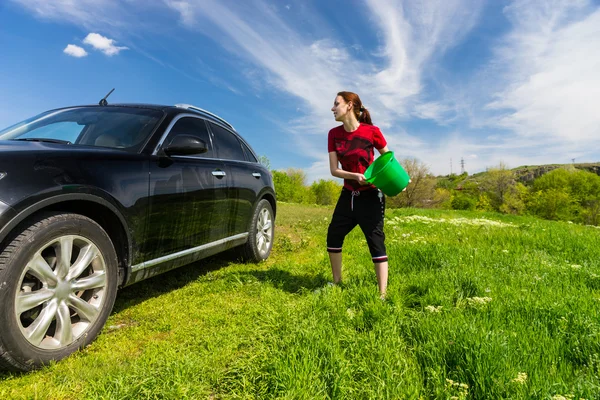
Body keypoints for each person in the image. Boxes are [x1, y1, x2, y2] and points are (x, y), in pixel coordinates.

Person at [326, 91, 391, 298]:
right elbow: (334, 170)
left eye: (336, 104)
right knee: (333, 236)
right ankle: (337, 283)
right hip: (348, 195)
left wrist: (399, 179)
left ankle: (382, 295)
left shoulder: (372, 132)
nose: (332, 108)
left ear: (349, 105)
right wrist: (354, 175)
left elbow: (387, 159)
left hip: (371, 195)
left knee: (375, 241)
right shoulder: (333, 134)